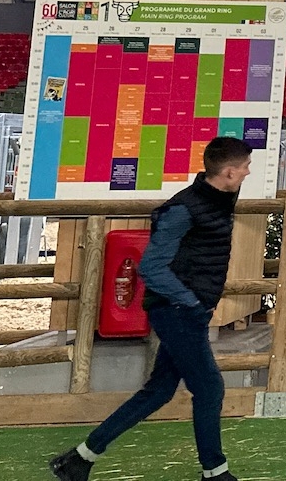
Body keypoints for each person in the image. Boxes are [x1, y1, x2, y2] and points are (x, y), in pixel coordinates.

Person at [51, 137, 254, 481]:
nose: (249, 172)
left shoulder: (219, 197)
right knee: (209, 388)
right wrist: (190, 302)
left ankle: (79, 458)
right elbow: (151, 267)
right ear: (230, 173)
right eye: (245, 167)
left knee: (159, 390)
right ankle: (215, 473)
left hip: (188, 309)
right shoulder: (182, 210)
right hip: (177, 310)